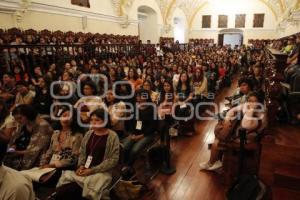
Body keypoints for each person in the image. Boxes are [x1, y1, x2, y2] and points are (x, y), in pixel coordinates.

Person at [56, 108, 120, 200]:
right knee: (64, 185)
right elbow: (82, 152)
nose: (93, 122)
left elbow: (113, 160)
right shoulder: (89, 134)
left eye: (97, 120)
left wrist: (92, 170)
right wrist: (81, 166)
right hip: (86, 169)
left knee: (90, 188)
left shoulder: (112, 136)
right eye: (92, 120)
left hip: (101, 171)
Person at [199, 92, 267, 171]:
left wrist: (250, 110)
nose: (250, 103)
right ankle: (216, 162)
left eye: (254, 101)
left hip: (246, 139)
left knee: (216, 143)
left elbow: (245, 125)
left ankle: (212, 163)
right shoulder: (249, 108)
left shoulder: (259, 116)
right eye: (249, 100)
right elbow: (233, 110)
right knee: (220, 134)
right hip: (242, 133)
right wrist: (227, 118)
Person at [4, 104, 52, 170]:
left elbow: (38, 150)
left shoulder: (43, 126)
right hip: (17, 154)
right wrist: (12, 147)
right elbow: (14, 140)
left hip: (30, 159)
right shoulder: (23, 124)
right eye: (16, 119)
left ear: (28, 114)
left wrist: (17, 152)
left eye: (20, 118)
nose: (18, 121)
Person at [122, 89, 157, 175]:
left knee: (134, 150)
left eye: (141, 96)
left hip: (147, 134)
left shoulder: (152, 108)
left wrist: (141, 136)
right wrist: (131, 134)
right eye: (137, 96)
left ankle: (128, 166)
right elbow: (131, 122)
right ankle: (126, 165)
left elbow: (153, 126)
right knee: (125, 147)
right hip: (135, 133)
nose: (139, 98)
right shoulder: (135, 106)